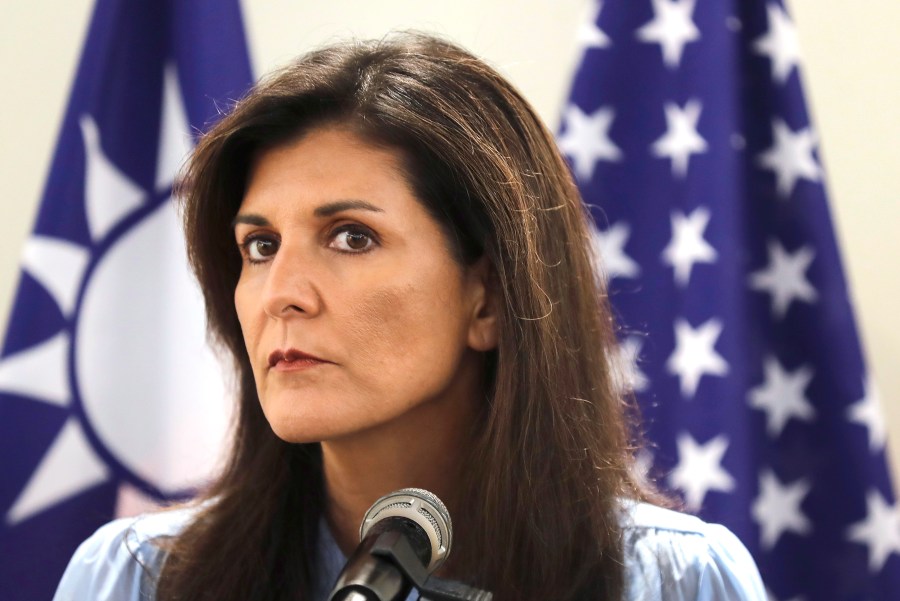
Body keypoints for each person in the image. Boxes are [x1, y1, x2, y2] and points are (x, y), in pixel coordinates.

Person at [53, 33, 766, 601]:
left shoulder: (675, 582)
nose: (281, 293)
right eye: (260, 245)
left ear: (487, 295)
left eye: (350, 237)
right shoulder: (137, 580)